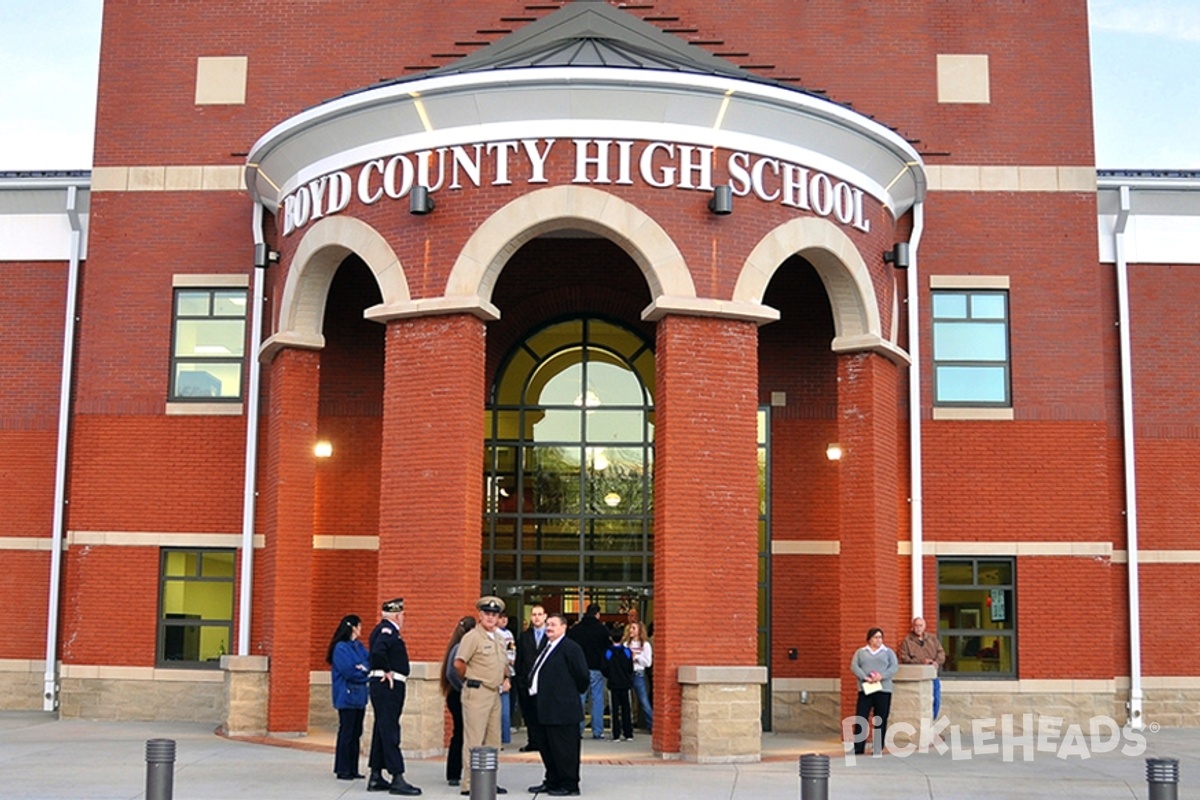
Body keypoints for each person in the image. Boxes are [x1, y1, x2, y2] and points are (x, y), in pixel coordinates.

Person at [526, 612, 590, 797]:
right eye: (547, 624)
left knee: (565, 749)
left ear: (564, 627)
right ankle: (552, 780)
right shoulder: (548, 646)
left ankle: (569, 784)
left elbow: (582, 676)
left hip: (562, 708)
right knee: (548, 747)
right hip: (544, 707)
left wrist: (567, 694)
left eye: (553, 624)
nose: (549, 627)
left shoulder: (570, 648)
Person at [453, 596, 511, 796]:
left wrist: (506, 678)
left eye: (494, 615)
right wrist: (470, 680)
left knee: (493, 741)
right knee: (474, 740)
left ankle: (488, 781)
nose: (490, 617)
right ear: (480, 615)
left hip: (495, 693)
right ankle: (469, 783)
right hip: (477, 692)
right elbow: (459, 663)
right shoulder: (472, 637)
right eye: (487, 614)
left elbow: (503, 664)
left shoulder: (500, 638)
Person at [366, 597, 421, 795]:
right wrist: (386, 670)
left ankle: (376, 775)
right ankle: (397, 776)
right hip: (388, 686)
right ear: (397, 615)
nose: (403, 618)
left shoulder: (382, 630)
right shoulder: (387, 631)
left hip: (384, 686)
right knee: (390, 730)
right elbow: (379, 652)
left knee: (382, 729)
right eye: (403, 615)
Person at [325, 614, 369, 780]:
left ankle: (353, 768)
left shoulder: (358, 646)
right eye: (359, 626)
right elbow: (349, 671)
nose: (361, 630)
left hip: (360, 696)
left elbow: (368, 662)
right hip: (347, 695)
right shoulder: (341, 648)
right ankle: (342, 768)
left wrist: (363, 668)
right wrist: (362, 671)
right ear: (353, 627)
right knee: (347, 732)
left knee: (356, 733)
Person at [849, 627, 899, 755]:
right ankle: (858, 747)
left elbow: (894, 667)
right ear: (869, 639)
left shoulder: (888, 652)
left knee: (880, 718)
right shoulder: (861, 652)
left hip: (883, 689)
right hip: (866, 688)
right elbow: (854, 666)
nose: (878, 640)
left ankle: (877, 747)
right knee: (861, 716)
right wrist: (865, 677)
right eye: (875, 637)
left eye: (880, 637)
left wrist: (881, 676)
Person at [439, 616, 476, 787]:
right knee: (461, 733)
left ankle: (454, 772)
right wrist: (464, 689)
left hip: (455, 694)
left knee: (460, 733)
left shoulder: (455, 646)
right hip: (458, 695)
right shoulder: (460, 648)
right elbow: (452, 673)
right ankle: (454, 772)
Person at [567, 602, 611, 739]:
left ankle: (577, 730)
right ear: (597, 614)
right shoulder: (602, 630)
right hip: (596, 668)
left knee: (580, 699)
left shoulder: (576, 629)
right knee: (597, 699)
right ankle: (597, 731)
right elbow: (607, 648)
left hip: (580, 669)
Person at [512, 604, 548, 753]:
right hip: (526, 683)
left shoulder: (551, 636)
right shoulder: (524, 636)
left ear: (545, 616)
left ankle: (545, 742)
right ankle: (533, 741)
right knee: (530, 714)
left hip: (545, 684)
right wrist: (520, 679)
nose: (537, 617)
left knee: (544, 714)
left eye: (540, 614)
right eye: (534, 614)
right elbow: (519, 659)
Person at [898, 616, 946, 721]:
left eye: (921, 625)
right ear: (912, 627)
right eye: (916, 625)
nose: (918, 628)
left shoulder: (932, 639)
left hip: (932, 675)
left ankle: (931, 722)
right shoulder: (907, 641)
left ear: (924, 626)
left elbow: (941, 652)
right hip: (917, 677)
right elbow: (903, 658)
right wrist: (921, 662)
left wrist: (937, 662)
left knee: (936, 699)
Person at [602, 629, 634, 741]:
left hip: (613, 683)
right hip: (625, 683)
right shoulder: (627, 651)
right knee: (626, 709)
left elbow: (604, 667)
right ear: (622, 638)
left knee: (614, 710)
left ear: (611, 638)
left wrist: (609, 676)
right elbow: (631, 667)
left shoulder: (608, 652)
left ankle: (616, 734)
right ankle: (628, 733)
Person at [622, 621, 653, 733]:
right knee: (627, 701)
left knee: (643, 701)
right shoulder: (625, 644)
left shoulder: (645, 645)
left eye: (634, 628)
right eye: (630, 628)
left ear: (640, 631)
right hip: (627, 674)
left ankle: (652, 725)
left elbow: (648, 663)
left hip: (638, 674)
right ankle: (627, 725)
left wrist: (637, 657)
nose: (631, 630)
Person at [497, 613, 516, 746]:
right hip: (497, 672)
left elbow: (512, 651)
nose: (504, 620)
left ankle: (505, 735)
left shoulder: (509, 633)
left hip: (508, 672)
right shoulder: (493, 633)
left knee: (506, 707)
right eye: (501, 618)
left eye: (506, 617)